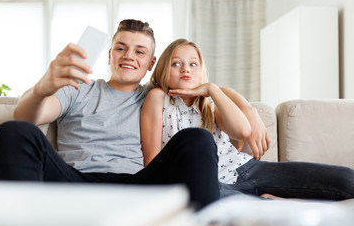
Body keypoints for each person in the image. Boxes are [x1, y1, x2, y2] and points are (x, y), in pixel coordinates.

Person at [0, 19, 220, 210]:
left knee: (197, 138)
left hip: (136, 185)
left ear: (151, 63)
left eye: (139, 51)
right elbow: (26, 117)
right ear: (110, 55)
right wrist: (42, 88)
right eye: (121, 48)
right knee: (14, 130)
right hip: (74, 181)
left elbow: (196, 85)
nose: (129, 56)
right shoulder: (78, 87)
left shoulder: (156, 97)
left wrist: (240, 103)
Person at [141, 38, 354, 201]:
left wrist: (213, 89)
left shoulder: (209, 104)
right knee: (208, 196)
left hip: (247, 169)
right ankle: (263, 201)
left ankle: (262, 199)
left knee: (347, 180)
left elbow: (242, 131)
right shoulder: (158, 97)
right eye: (176, 64)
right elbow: (153, 163)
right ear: (163, 69)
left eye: (193, 64)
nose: (186, 69)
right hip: (210, 184)